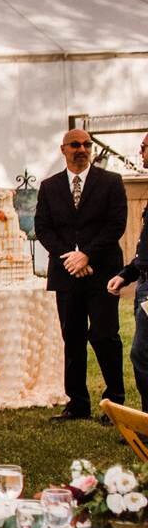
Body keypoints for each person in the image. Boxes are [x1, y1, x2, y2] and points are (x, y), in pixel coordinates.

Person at [37, 127, 128, 421]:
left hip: (102, 271)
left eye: (86, 144)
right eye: (75, 144)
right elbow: (43, 228)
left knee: (104, 335)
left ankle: (115, 401)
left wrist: (87, 254)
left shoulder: (111, 182)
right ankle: (77, 403)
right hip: (66, 273)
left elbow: (116, 225)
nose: (82, 149)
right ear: (63, 149)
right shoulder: (49, 187)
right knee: (72, 337)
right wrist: (70, 258)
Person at [108, 131, 148, 409]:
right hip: (143, 282)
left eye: (145, 147)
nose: (141, 152)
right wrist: (127, 275)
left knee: (142, 354)